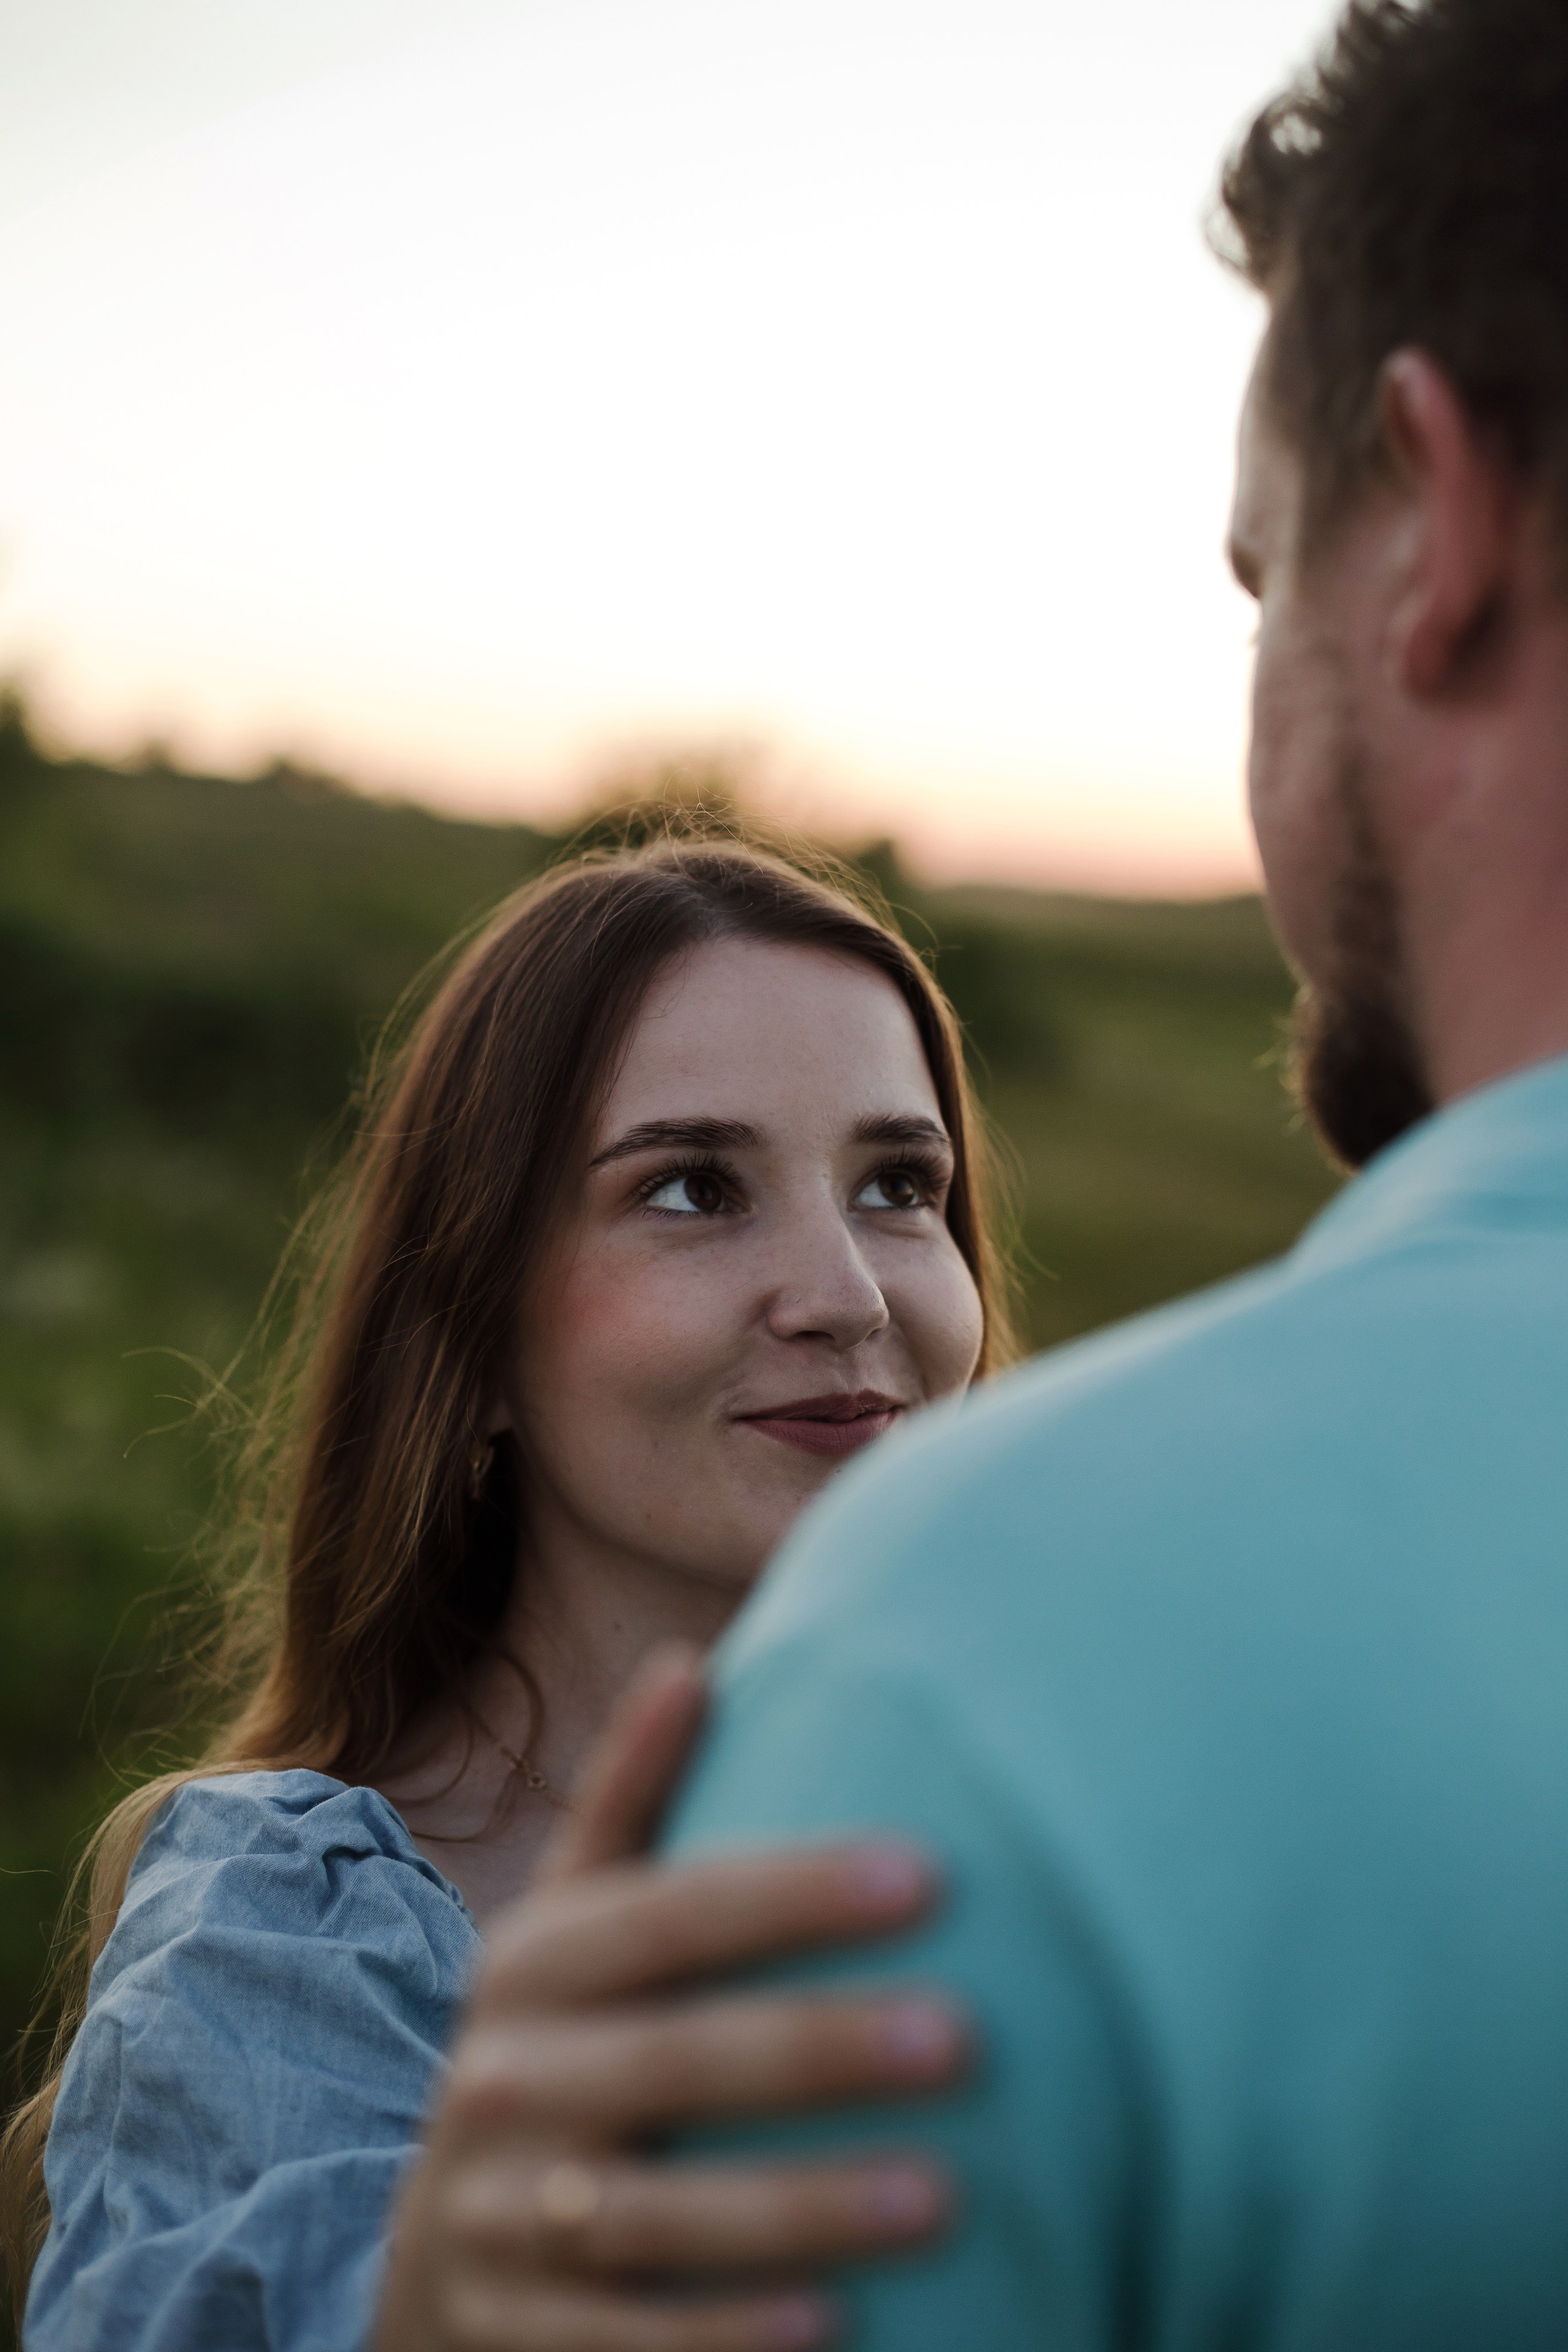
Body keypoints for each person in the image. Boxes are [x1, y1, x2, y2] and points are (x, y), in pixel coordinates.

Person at [629, 1, 1568, 2345]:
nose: (838, 1286)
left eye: (1265, 582)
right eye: (684, 1185)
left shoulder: (958, 1677)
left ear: (1432, 517)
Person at [6, 835, 1012, 2351]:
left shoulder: (1052, 1839)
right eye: (691, 1187)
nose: (847, 1296)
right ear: (471, 1342)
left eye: (896, 1185)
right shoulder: (297, 1932)